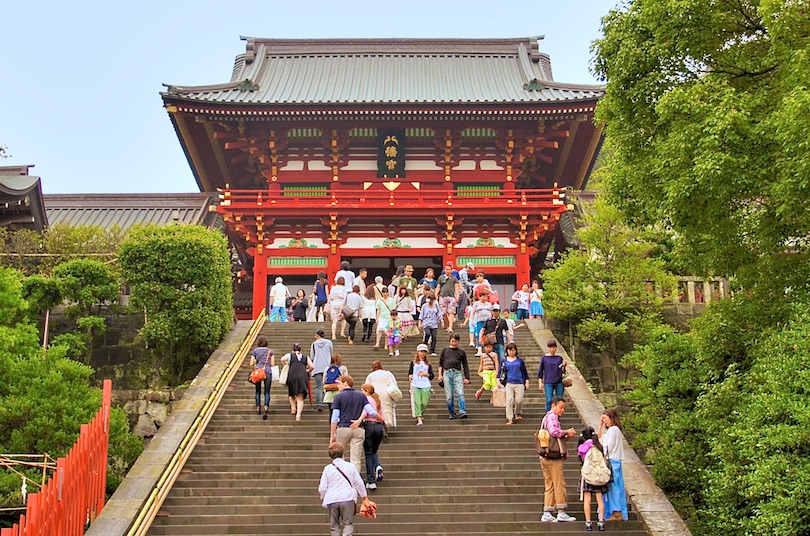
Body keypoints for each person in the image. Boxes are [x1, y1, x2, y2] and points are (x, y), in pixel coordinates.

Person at [330, 375, 379, 474]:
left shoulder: (338, 397)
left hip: (344, 427)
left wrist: (332, 435)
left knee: (339, 456)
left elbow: (335, 417)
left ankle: (342, 478)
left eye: (339, 383)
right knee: (355, 459)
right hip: (358, 429)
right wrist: (380, 419)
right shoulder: (361, 396)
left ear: (345, 383)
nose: (337, 386)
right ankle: (354, 480)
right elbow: (372, 412)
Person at [540, 396, 578, 523]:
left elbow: (554, 437)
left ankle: (547, 512)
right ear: (553, 406)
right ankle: (561, 511)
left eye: (564, 408)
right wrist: (566, 431)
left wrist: (566, 435)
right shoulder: (552, 417)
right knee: (558, 483)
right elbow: (554, 432)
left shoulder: (547, 417)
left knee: (549, 484)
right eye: (561, 407)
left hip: (545, 456)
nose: (562, 410)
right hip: (553, 457)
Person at [318, 442, 368, 536]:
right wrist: (363, 496)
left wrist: (323, 496)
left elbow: (323, 487)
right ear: (343, 453)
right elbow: (359, 482)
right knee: (348, 523)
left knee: (334, 525)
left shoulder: (327, 469)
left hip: (332, 499)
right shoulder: (350, 466)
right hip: (347, 498)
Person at [599, 408, 628, 521]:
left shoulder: (613, 430)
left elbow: (606, 447)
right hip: (616, 461)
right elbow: (600, 438)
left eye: (605, 419)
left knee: (613, 486)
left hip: (612, 461)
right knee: (617, 485)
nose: (604, 421)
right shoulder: (614, 430)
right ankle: (620, 512)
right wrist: (600, 425)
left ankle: (616, 512)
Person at [578, 426, 608, 532]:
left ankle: (588, 523)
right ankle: (601, 522)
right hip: (599, 475)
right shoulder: (599, 446)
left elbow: (582, 460)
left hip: (588, 475)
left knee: (587, 499)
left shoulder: (583, 447)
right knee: (600, 499)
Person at [438, 334, 470, 419]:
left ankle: (462, 410)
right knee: (449, 396)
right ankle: (451, 412)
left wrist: (467, 377)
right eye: (452, 341)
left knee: (460, 392)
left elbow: (465, 365)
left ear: (458, 341)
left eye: (455, 341)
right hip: (447, 372)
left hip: (457, 372)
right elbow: (440, 363)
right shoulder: (445, 350)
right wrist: (440, 375)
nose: (453, 343)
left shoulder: (461, 352)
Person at [360, 383, 386, 490]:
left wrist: (358, 420)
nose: (361, 392)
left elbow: (365, 413)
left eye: (362, 390)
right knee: (373, 451)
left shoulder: (365, 400)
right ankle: (378, 466)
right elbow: (383, 417)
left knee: (368, 454)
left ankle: (371, 480)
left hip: (368, 426)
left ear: (366, 391)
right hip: (379, 427)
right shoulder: (377, 401)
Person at [280, 343, 314, 421]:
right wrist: (308, 370)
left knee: (291, 392)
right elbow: (312, 366)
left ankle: (293, 408)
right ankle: (298, 415)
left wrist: (285, 364)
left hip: (292, 375)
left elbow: (282, 359)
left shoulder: (290, 355)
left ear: (293, 350)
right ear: (300, 351)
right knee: (300, 397)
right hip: (302, 376)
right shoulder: (305, 357)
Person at [498, 343, 530, 425]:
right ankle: (510, 418)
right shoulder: (504, 361)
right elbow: (500, 372)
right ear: (507, 351)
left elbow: (524, 372)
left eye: (513, 350)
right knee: (509, 400)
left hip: (519, 382)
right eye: (510, 350)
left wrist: (526, 381)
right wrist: (498, 381)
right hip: (509, 382)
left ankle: (517, 413)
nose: (511, 352)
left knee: (519, 400)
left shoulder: (520, 361)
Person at [365, 360, 399, 429]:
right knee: (386, 408)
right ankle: (386, 423)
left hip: (375, 393)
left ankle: (378, 423)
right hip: (386, 393)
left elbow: (366, 386)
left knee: (377, 408)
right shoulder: (388, 373)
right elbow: (393, 383)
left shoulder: (370, 375)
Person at [408, 344, 434, 426]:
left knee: (424, 402)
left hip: (425, 384)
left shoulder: (428, 364)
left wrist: (426, 374)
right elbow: (410, 372)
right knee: (417, 402)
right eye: (421, 351)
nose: (422, 353)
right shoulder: (413, 363)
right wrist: (410, 376)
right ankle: (419, 418)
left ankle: (419, 413)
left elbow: (432, 375)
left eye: (424, 352)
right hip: (415, 383)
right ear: (418, 352)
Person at [249, 335, 274, 419]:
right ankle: (266, 406)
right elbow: (273, 364)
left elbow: (251, 363)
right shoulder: (270, 351)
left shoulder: (255, 351)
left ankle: (258, 406)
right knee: (267, 391)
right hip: (267, 372)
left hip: (258, 372)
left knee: (257, 391)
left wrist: (257, 361)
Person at [538, 339, 566, 412]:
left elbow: (562, 371)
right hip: (548, 381)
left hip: (559, 381)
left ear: (556, 348)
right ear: (548, 348)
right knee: (549, 400)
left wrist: (564, 366)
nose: (552, 349)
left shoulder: (559, 358)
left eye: (553, 347)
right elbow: (540, 371)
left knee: (559, 400)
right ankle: (549, 416)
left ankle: (558, 416)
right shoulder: (544, 358)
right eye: (550, 347)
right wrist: (540, 382)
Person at [310, 329, 334, 412]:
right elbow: (331, 354)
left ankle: (320, 403)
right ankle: (329, 401)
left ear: (317, 335)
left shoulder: (314, 344)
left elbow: (312, 357)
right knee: (328, 385)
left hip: (317, 367)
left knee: (318, 386)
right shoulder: (329, 343)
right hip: (327, 366)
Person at [437, 263, 461, 331]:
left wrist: (457, 295)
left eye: (449, 269)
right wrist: (436, 294)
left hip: (451, 296)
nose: (447, 271)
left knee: (451, 312)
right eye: (446, 269)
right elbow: (438, 286)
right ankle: (448, 325)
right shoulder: (441, 277)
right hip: (442, 296)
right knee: (443, 313)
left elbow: (456, 287)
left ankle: (450, 327)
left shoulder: (454, 278)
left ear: (451, 270)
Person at [471, 290, 493, 356]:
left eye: (486, 296)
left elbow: (492, 312)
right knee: (479, 335)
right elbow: (473, 312)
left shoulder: (489, 304)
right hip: (479, 321)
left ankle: (488, 349)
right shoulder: (476, 304)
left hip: (488, 321)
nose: (484, 298)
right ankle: (479, 350)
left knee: (488, 335)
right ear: (480, 297)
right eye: (483, 296)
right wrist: (472, 321)